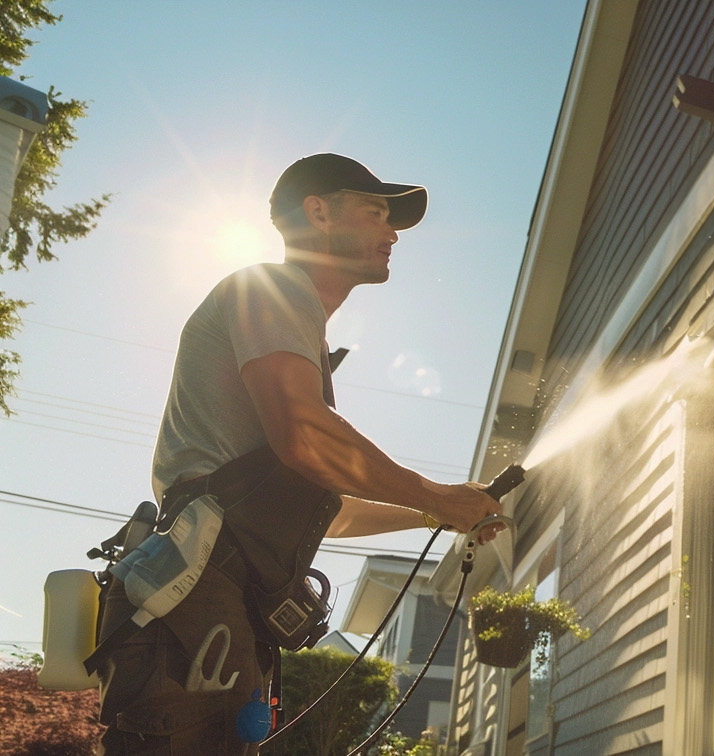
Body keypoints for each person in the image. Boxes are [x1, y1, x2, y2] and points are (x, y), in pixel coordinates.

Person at [94, 153, 503, 755]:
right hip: (195, 595)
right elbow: (303, 435)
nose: (391, 234)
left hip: (212, 600)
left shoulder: (294, 325)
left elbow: (325, 508)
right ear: (317, 211)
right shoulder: (274, 288)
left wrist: (432, 515)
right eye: (375, 212)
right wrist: (435, 494)